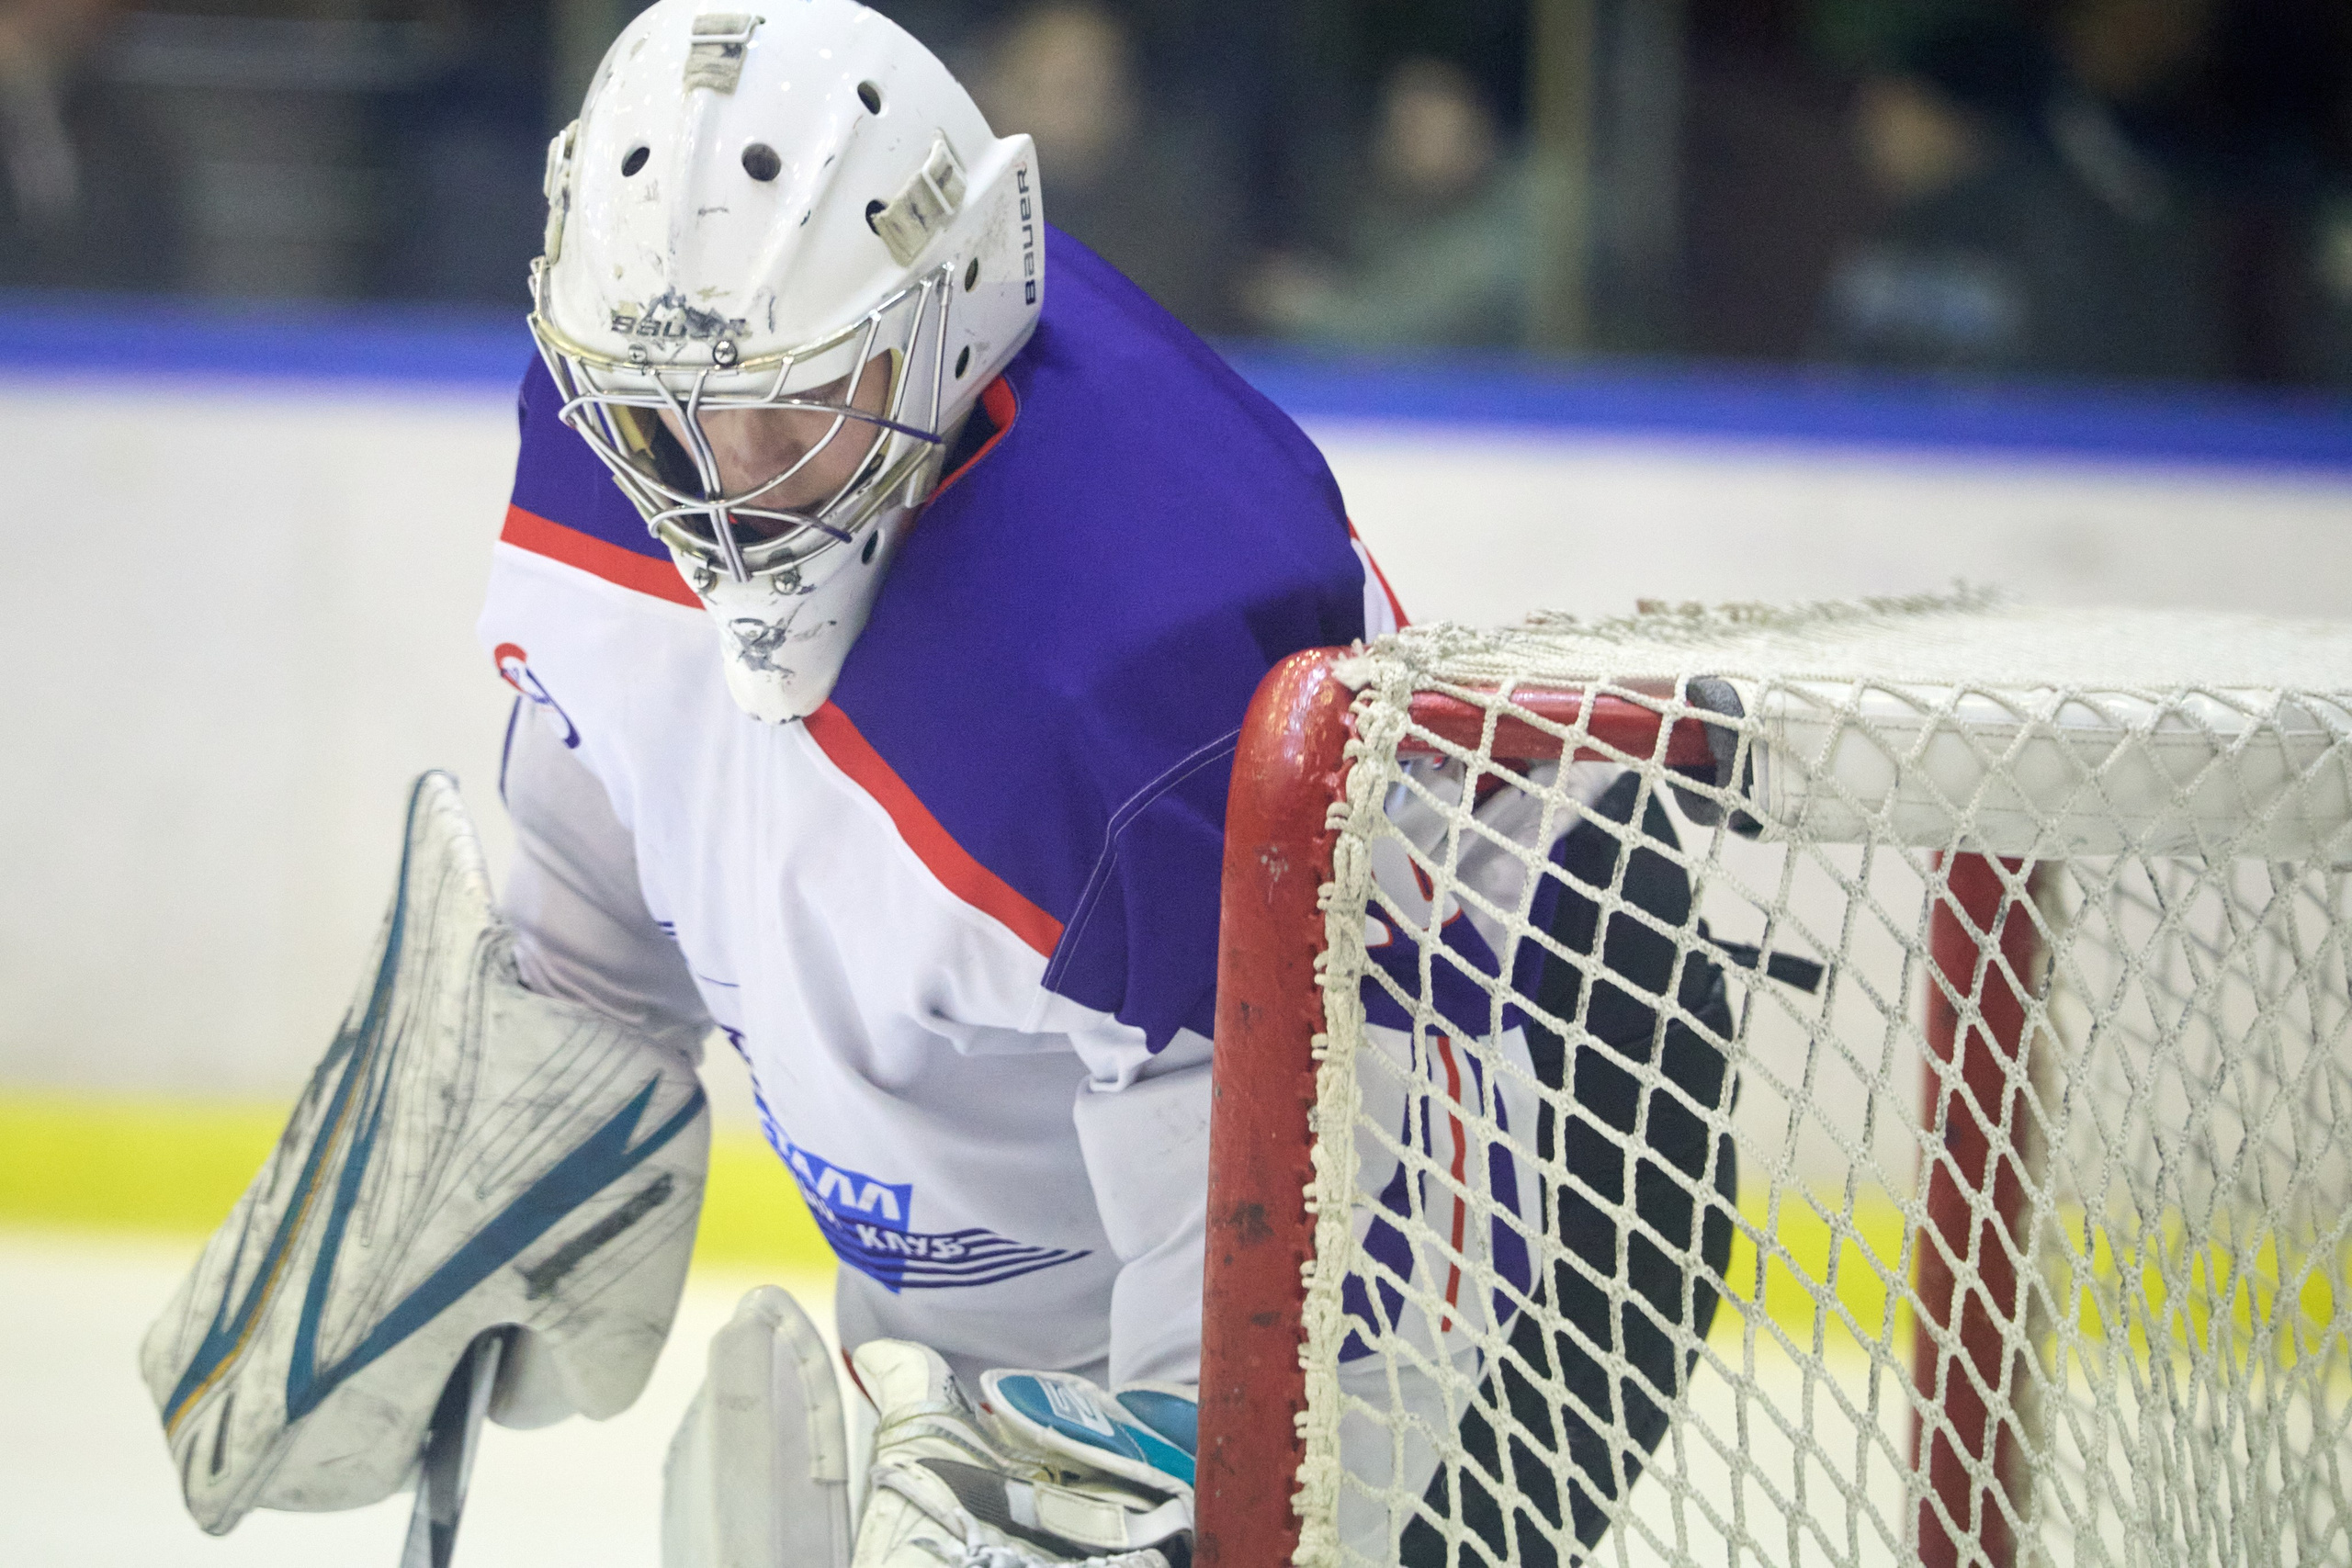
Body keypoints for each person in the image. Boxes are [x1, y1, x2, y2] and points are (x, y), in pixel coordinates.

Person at [141, 4, 1734, 1565]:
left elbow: (1287, 1295)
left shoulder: (1125, 671)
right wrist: (541, 1063)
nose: (722, 489)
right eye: (661, 416)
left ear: (949, 318)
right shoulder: (613, 404)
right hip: (1071, 1193)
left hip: (1509, 1153)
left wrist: (1161, 1500)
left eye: (791, 404)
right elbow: (616, 771)